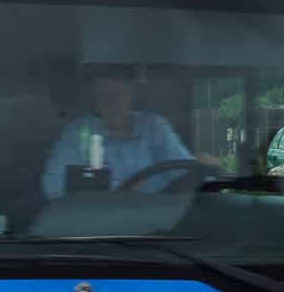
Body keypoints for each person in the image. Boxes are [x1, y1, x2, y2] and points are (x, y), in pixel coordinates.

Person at [40, 68, 194, 199]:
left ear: (131, 97)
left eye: (118, 94)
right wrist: (116, 194)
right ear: (94, 101)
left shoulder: (153, 126)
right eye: (103, 96)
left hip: (161, 222)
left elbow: (184, 172)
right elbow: (53, 186)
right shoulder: (78, 133)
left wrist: (203, 173)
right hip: (103, 226)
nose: (112, 103)